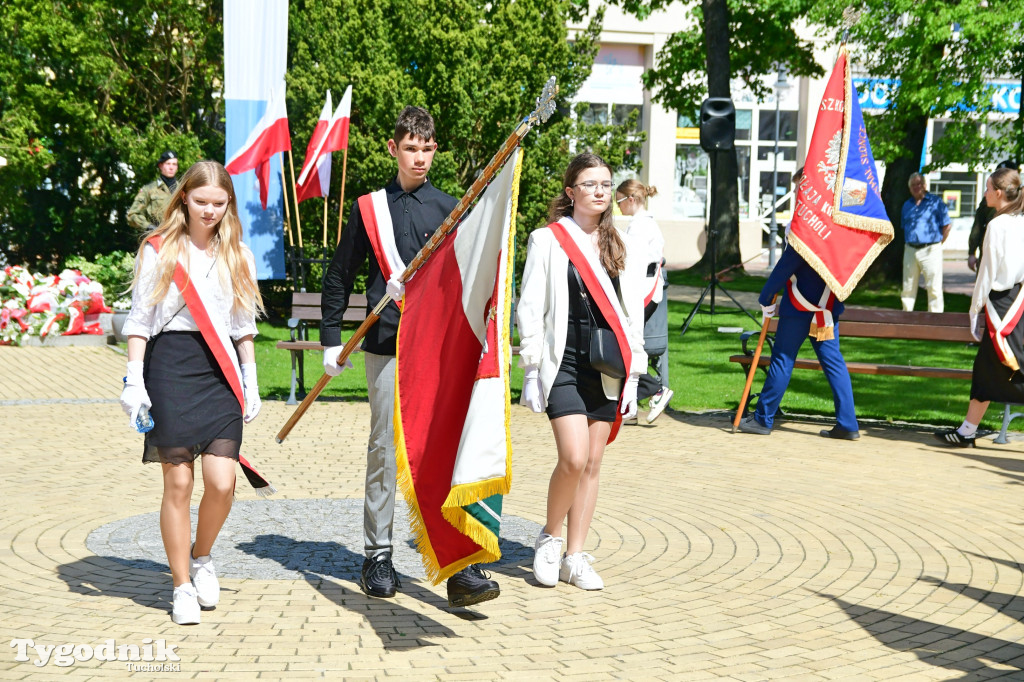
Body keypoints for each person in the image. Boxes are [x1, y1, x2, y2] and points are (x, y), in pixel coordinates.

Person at [320, 106, 499, 607]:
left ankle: (458, 565)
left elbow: (469, 279)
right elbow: (339, 275)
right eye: (410, 148)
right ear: (393, 149)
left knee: (441, 447)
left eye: (427, 148)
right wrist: (331, 338)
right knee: (384, 449)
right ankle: (377, 555)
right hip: (387, 344)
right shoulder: (368, 208)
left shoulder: (451, 208)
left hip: (438, 348)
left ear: (435, 150)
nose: (419, 157)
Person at [119, 160, 264, 625]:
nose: (209, 211)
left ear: (229, 205)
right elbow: (140, 321)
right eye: (201, 201)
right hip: (170, 367)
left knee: (223, 482)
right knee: (178, 482)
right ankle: (181, 585)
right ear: (184, 197)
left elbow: (243, 325)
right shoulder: (158, 249)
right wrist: (133, 379)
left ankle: (202, 557)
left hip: (218, 370)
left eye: (219, 203)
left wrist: (251, 377)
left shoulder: (238, 252)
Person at [518, 152, 647, 590]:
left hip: (608, 366)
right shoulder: (548, 240)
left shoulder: (621, 243)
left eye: (606, 185)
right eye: (590, 184)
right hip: (563, 363)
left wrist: (634, 374)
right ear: (571, 191)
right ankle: (549, 538)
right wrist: (532, 367)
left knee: (592, 462)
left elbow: (632, 315)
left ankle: (575, 556)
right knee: (572, 458)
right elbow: (531, 307)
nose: (600, 192)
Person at [935, 168, 1024, 447]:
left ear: (999, 192)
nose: (984, 193)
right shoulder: (1019, 221)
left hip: (1001, 306)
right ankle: (967, 431)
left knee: (1007, 366)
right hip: (1019, 301)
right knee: (986, 369)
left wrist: (974, 310)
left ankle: (967, 431)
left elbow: (987, 272)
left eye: (987, 188)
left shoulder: (997, 225)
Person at [738, 238, 860, 440]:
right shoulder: (840, 235)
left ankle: (762, 418)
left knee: (783, 360)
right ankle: (847, 423)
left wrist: (766, 296)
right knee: (834, 364)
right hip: (827, 308)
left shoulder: (808, 229)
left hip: (798, 309)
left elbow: (786, 266)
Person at [615, 178, 673, 423]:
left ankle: (653, 389)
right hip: (647, 291)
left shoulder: (639, 227)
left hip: (641, 292)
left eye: (619, 202)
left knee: (624, 346)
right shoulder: (646, 224)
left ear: (631, 200)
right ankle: (634, 399)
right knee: (625, 345)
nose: (617, 207)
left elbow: (632, 263)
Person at [900, 172, 951, 312]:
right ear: (909, 188)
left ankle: (936, 319)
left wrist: (939, 242)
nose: (916, 187)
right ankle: (906, 317)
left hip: (931, 249)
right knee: (908, 286)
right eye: (913, 185)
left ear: (924, 185)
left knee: (934, 286)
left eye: (919, 184)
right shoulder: (906, 205)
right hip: (910, 249)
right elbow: (905, 226)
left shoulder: (936, 202)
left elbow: (947, 225)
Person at [968, 160, 1019, 273]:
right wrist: (972, 252)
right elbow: (978, 225)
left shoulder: (1021, 200)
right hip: (990, 252)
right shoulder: (989, 200)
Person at [128, 151, 180, 231]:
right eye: (168, 164)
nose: (171, 167)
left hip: (180, 236)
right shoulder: (149, 189)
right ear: (160, 166)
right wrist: (149, 227)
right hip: (157, 236)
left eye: (174, 164)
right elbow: (132, 215)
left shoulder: (183, 189)